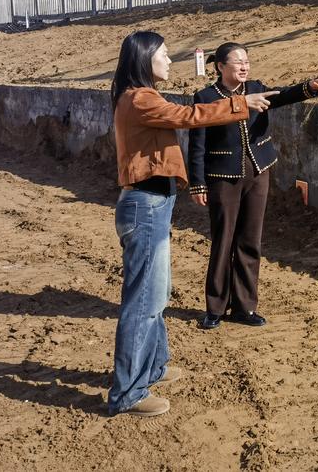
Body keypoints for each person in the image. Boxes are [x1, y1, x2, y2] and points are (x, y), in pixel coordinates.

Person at [108, 30, 277, 418]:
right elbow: (189, 117)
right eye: (164, 55)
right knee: (143, 304)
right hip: (145, 203)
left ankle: (154, 368)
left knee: (157, 294)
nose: (170, 61)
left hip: (155, 201)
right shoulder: (140, 98)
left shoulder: (139, 96)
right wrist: (239, 104)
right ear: (144, 58)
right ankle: (128, 393)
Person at [188, 42, 318, 330]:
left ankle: (244, 307)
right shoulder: (205, 97)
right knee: (222, 241)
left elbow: (282, 96)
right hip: (222, 178)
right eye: (237, 62)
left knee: (250, 241)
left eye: (247, 61)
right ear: (220, 67)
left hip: (258, 172)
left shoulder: (256, 87)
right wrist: (197, 183)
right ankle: (215, 308)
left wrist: (310, 88)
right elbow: (197, 145)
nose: (244, 66)